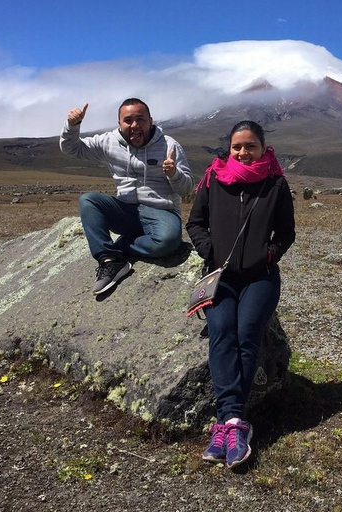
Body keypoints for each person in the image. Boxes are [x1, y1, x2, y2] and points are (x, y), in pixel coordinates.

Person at [186, 120, 295, 469]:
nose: (244, 152)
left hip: (260, 278)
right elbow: (195, 223)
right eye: (237, 146)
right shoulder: (214, 178)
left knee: (247, 334)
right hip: (221, 278)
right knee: (221, 332)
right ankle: (234, 423)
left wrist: (267, 255)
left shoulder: (276, 184)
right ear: (228, 149)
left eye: (250, 146)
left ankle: (228, 423)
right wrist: (210, 251)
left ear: (264, 148)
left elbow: (287, 233)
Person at [60, 98, 194, 295]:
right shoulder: (109, 141)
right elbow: (72, 148)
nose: (135, 125)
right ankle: (110, 261)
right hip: (126, 211)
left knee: (167, 242)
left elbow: (186, 190)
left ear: (150, 120)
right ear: (119, 123)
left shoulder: (169, 146)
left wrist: (174, 173)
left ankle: (123, 246)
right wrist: (72, 125)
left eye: (140, 119)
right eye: (128, 120)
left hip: (161, 212)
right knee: (88, 200)